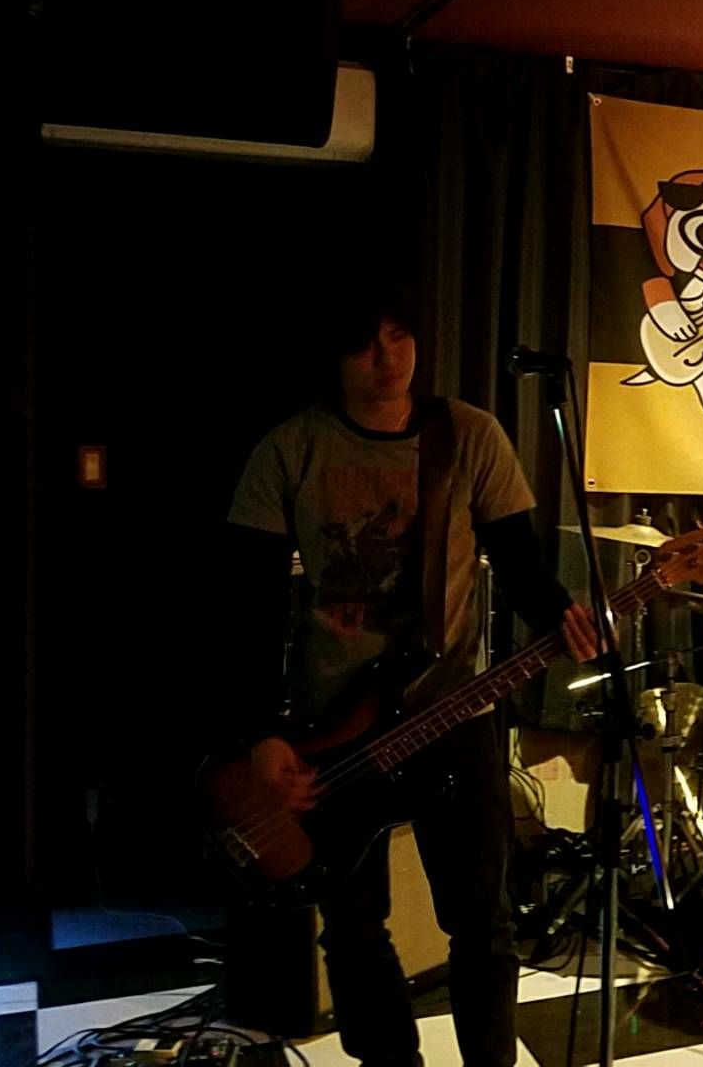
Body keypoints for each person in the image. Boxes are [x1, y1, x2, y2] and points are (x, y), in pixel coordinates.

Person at [227, 286, 600, 1067]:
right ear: (335, 356)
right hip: (331, 728)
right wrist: (261, 734)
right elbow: (245, 609)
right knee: (353, 927)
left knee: (483, 923)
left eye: (400, 337)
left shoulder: (469, 435)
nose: (387, 358)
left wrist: (565, 616)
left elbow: (520, 563)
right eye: (367, 342)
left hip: (453, 713)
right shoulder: (290, 449)